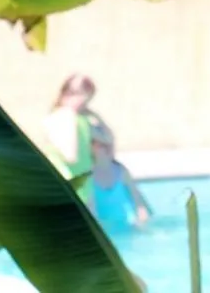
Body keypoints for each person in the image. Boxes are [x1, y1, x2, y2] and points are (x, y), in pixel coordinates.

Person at [44, 74, 98, 205]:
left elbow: (108, 140)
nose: (83, 101)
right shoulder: (65, 117)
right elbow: (70, 156)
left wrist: (94, 114)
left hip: (82, 187)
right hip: (68, 187)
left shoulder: (79, 119)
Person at [89, 123, 152, 230]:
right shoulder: (88, 176)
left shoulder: (121, 171)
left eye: (109, 145)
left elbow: (141, 206)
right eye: (102, 145)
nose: (107, 149)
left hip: (129, 230)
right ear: (91, 147)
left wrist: (142, 223)